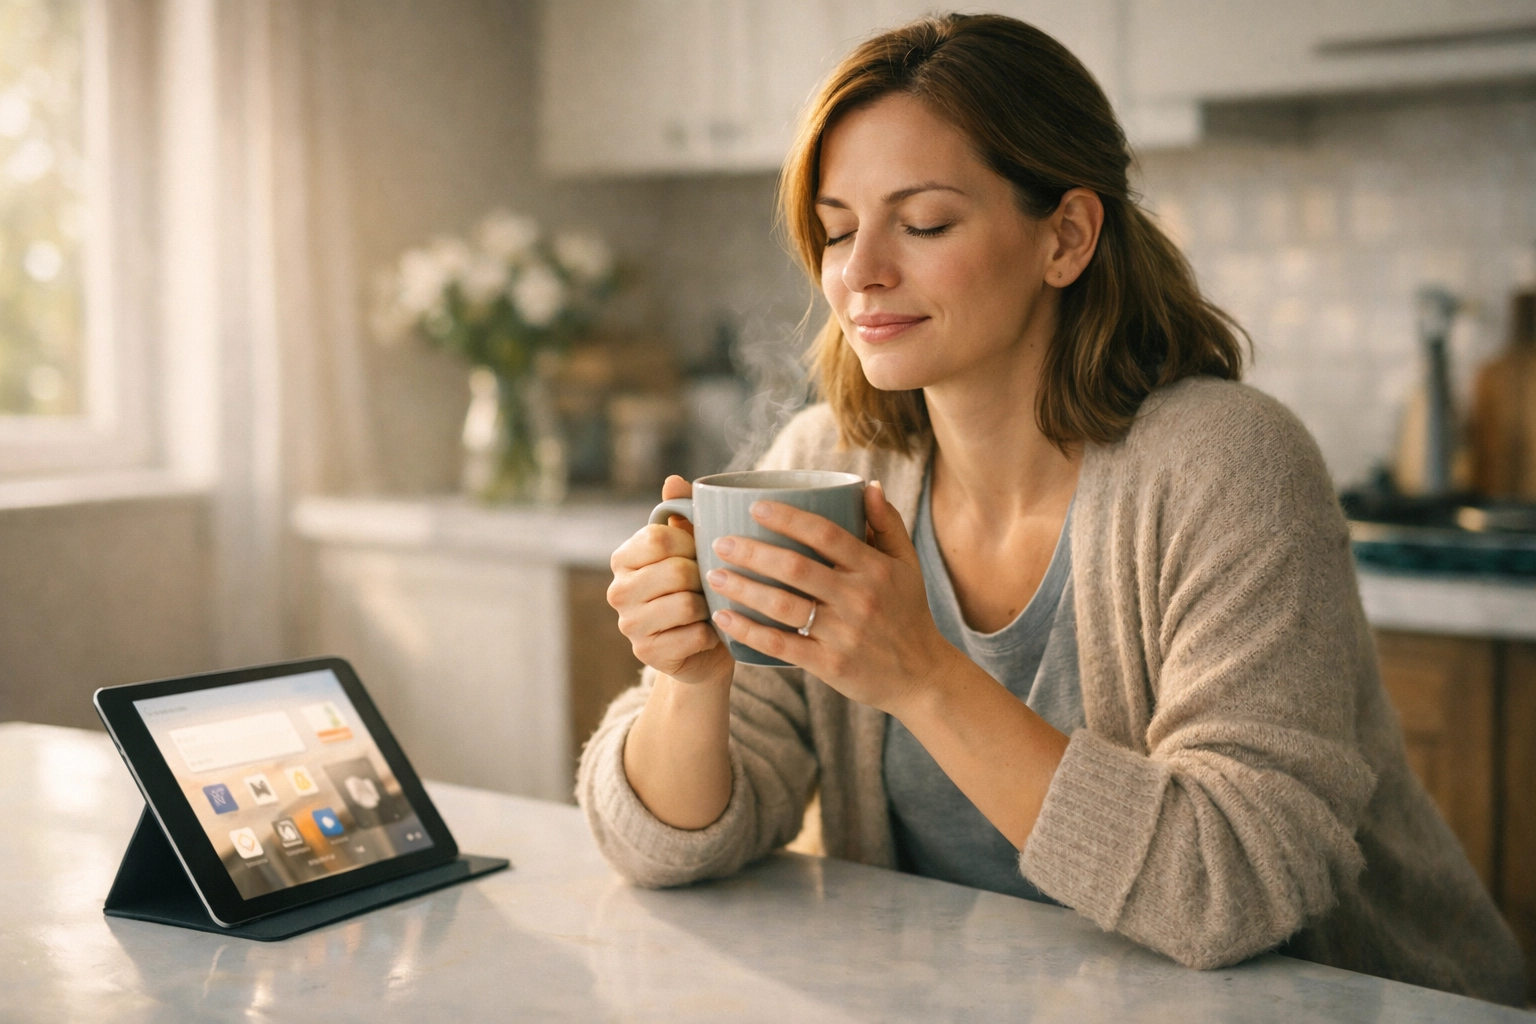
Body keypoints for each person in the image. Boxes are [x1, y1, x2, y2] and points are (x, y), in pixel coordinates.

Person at [579, 12, 1526, 1006]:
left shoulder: (1226, 464)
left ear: (1066, 236)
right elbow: (666, 847)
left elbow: (1236, 890)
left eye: (926, 222)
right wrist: (688, 677)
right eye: (837, 228)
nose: (858, 274)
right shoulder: (827, 463)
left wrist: (924, 676)